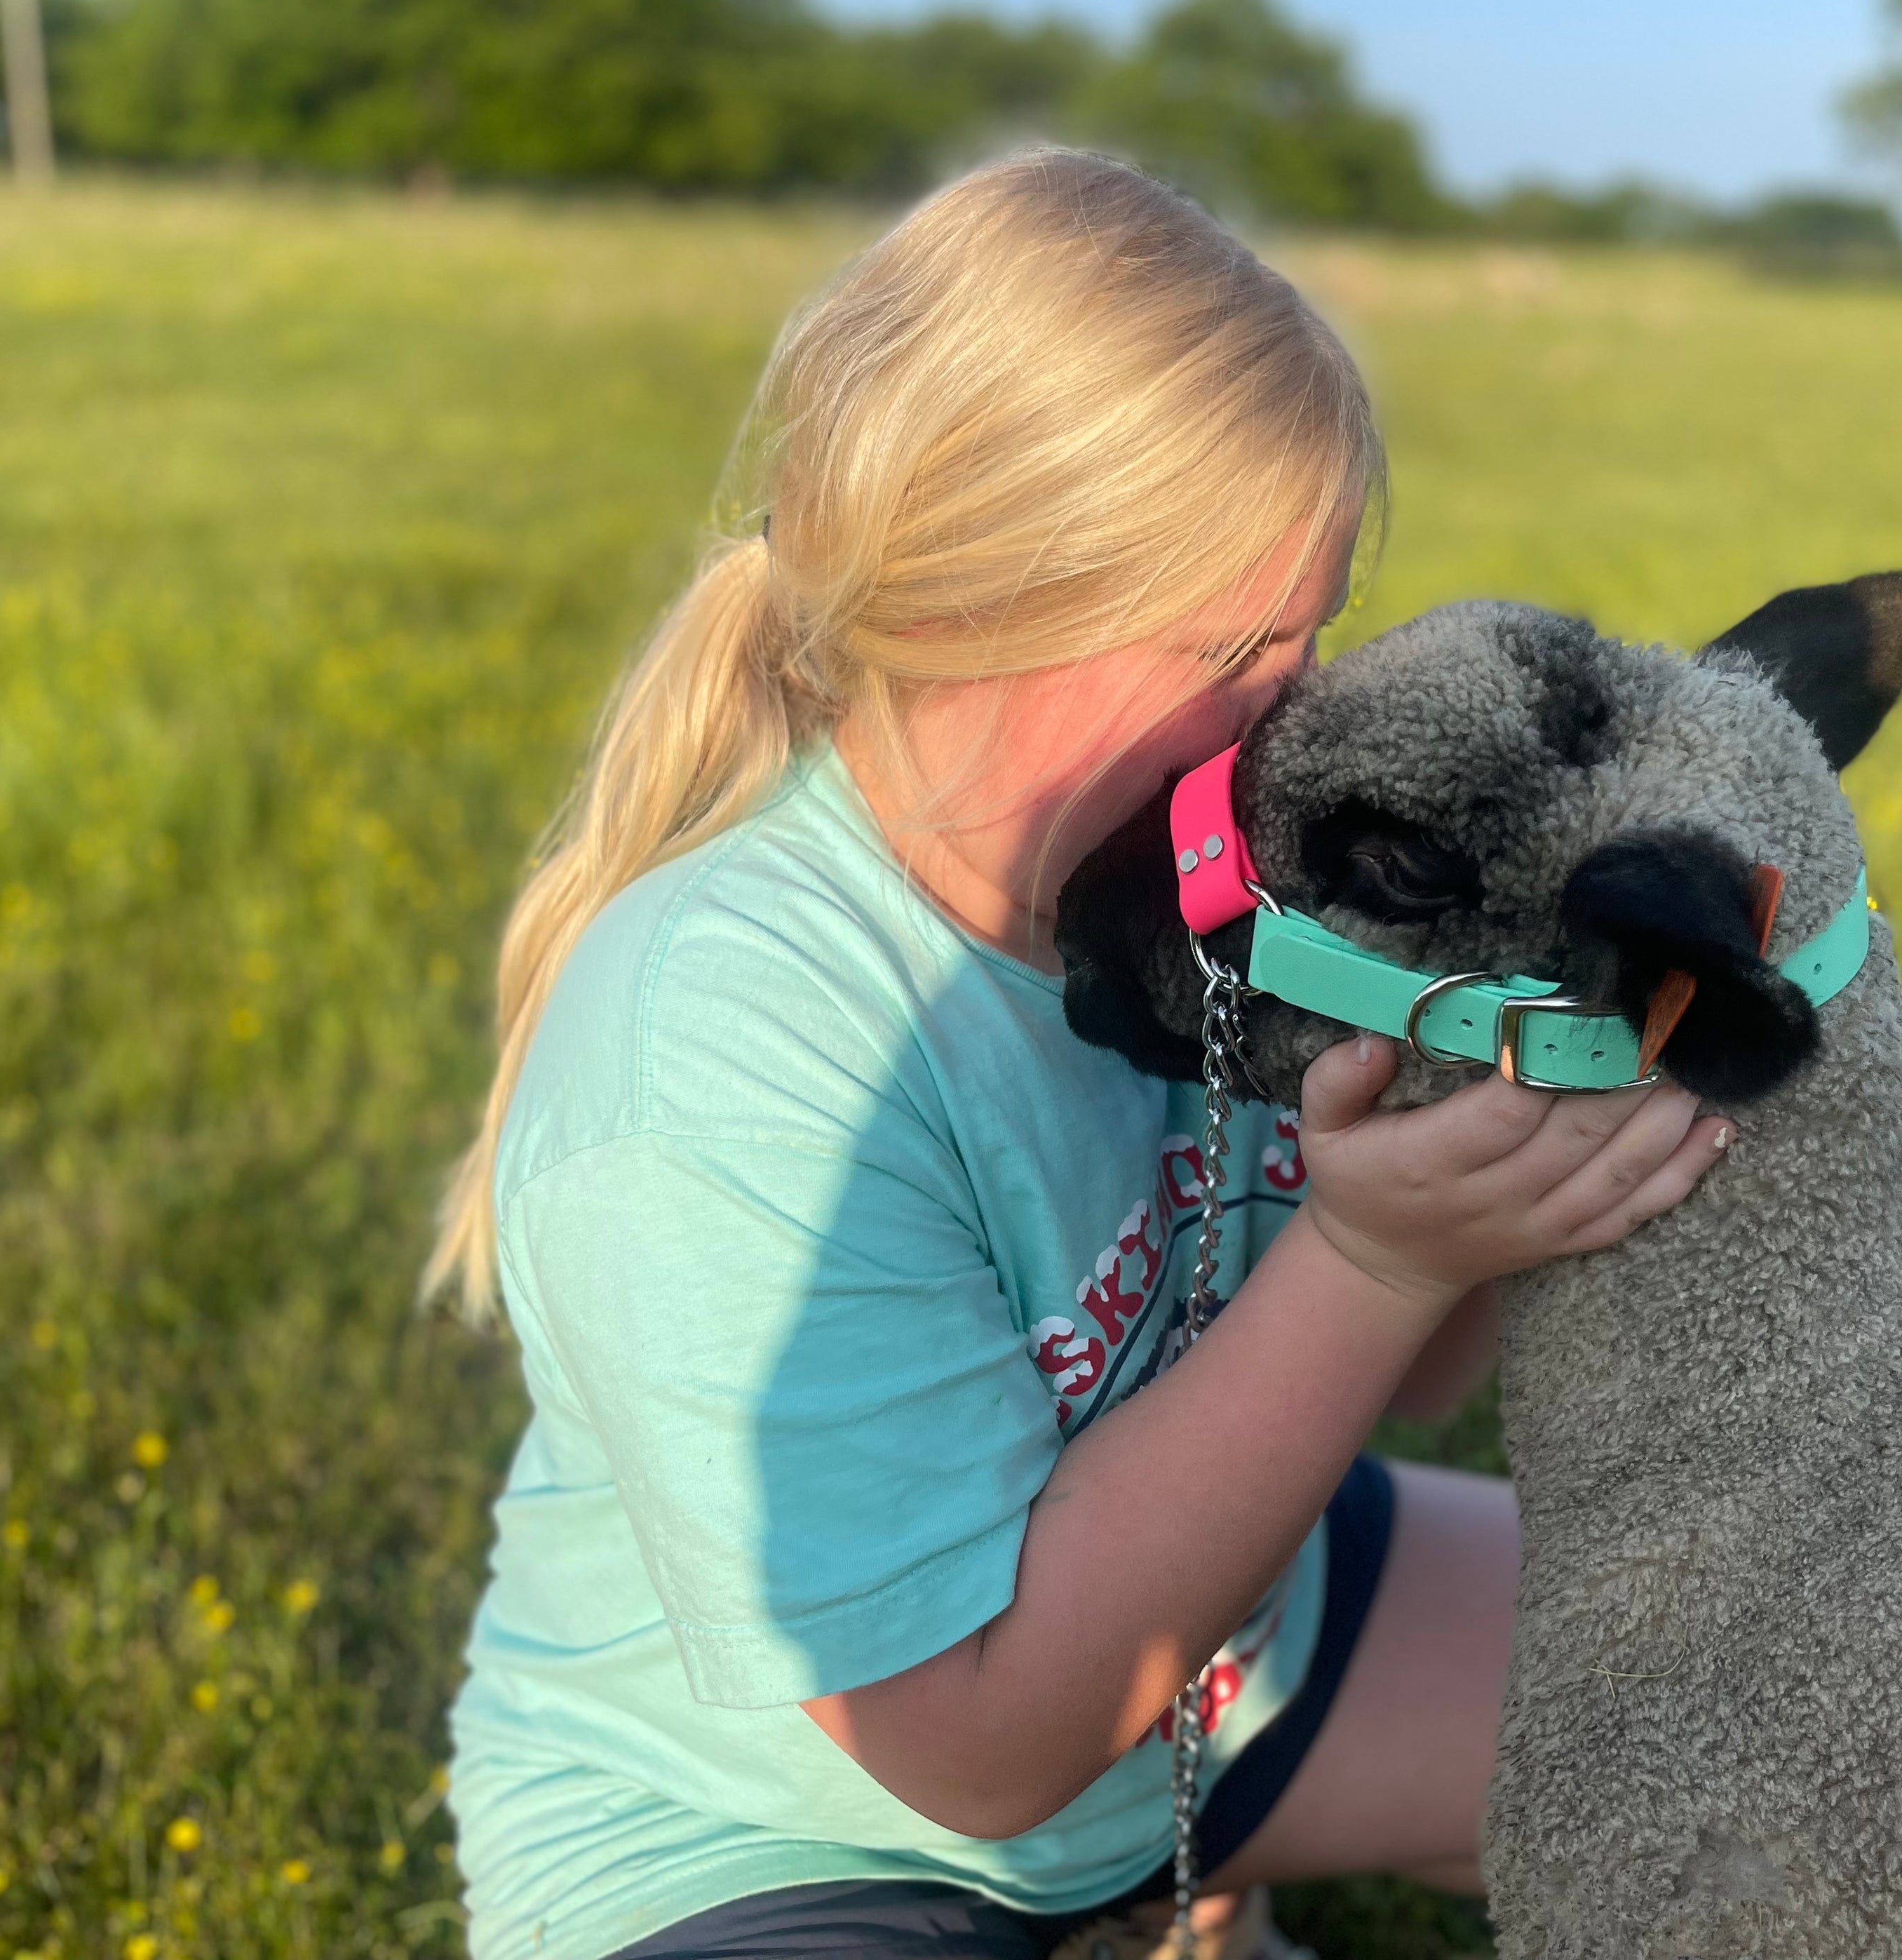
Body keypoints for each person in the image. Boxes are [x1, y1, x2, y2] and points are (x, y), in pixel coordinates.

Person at [432, 147, 1732, 1960]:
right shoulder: (726, 1046)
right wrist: (1377, 1258)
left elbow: (1422, 1374)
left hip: (1220, 1663)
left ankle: (1178, 1883)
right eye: (1241, 645)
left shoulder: (1216, 885)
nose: (1301, 698)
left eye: (1320, 627)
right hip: (781, 1835)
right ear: (983, 613)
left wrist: (1508, 1115)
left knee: (1780, 1698)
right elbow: (974, 1746)